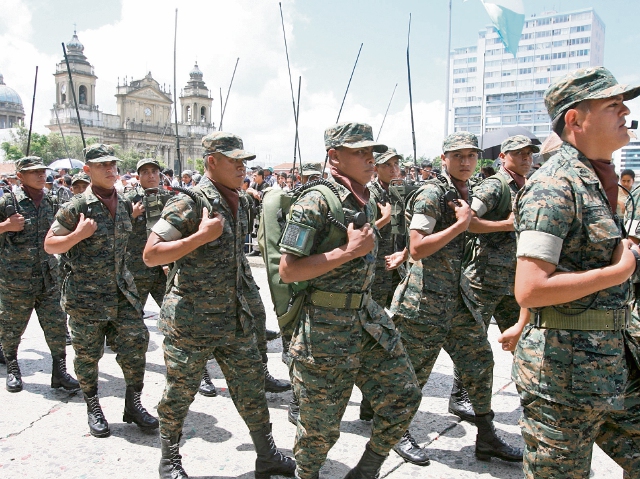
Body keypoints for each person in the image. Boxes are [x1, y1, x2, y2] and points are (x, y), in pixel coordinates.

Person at [509, 67, 640, 479]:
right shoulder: (555, 185)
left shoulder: (598, 180)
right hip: (562, 379)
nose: (626, 112)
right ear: (575, 119)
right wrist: (619, 271)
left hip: (614, 363)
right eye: (612, 105)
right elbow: (531, 288)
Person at [143, 132, 295, 479]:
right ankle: (170, 461)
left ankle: (266, 454)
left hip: (233, 318)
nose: (243, 168)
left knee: (251, 388)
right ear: (212, 162)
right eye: (235, 161)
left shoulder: (237, 199)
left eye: (245, 162)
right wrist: (199, 237)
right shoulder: (190, 203)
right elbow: (150, 255)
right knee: (179, 393)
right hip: (191, 321)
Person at [279, 122, 421, 479]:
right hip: (324, 328)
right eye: (359, 152)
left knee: (405, 396)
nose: (370, 159)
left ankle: (366, 470)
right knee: (319, 431)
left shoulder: (368, 198)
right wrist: (347, 252)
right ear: (334, 157)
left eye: (371, 151)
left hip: (366, 318)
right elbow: (288, 270)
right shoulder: (314, 200)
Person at [389, 132, 523, 465]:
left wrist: (478, 224)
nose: (466, 162)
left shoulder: (465, 190)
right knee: (413, 374)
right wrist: (461, 226)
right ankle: (395, 432)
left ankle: (486, 435)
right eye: (458, 156)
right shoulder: (432, 193)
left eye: (471, 156)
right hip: (424, 300)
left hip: (456, 298)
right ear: (444, 158)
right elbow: (418, 247)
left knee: (480, 363)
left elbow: (470, 227)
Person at [44, 144, 158, 438]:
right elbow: (50, 244)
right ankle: (93, 406)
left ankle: (133, 404)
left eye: (112, 165)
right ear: (87, 170)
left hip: (121, 293)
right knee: (87, 356)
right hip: (86, 298)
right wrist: (78, 234)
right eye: (101, 165)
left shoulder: (123, 202)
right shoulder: (76, 206)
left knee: (136, 344)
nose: (109, 170)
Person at [453, 135, 538, 422]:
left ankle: (532, 394)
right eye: (519, 153)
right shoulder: (495, 185)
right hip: (484, 279)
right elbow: (466, 221)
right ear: (503, 157)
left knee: (524, 340)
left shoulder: (528, 186)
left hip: (515, 282)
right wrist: (505, 225)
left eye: (529, 153)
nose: (526, 158)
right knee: (474, 342)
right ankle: (461, 394)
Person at [0, 156, 79, 393]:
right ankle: (13, 368)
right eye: (33, 172)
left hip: (48, 276)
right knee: (11, 326)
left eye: (42, 171)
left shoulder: (53, 201)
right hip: (15, 278)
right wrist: (5, 226)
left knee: (56, 324)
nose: (40, 175)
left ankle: (59, 371)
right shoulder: (8, 202)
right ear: (20, 176)